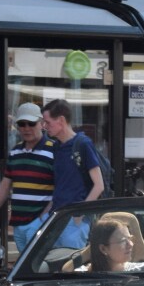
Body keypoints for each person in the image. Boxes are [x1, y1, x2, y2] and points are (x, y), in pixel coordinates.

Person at [0, 102, 56, 252]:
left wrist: (44, 216)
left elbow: (61, 187)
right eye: (22, 124)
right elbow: (4, 186)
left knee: (36, 270)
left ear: (41, 124)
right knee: (27, 271)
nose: (26, 128)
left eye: (31, 123)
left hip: (40, 222)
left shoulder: (54, 150)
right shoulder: (15, 152)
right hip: (18, 224)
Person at [41, 98, 103, 249]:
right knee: (54, 267)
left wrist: (79, 215)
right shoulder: (57, 147)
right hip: (56, 217)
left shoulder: (82, 143)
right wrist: (47, 212)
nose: (44, 126)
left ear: (61, 120)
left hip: (74, 220)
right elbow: (62, 183)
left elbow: (99, 185)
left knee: (70, 266)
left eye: (48, 122)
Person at [73, 218, 144, 273]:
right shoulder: (81, 276)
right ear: (103, 249)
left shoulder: (143, 271)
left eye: (130, 239)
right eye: (123, 241)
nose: (131, 244)